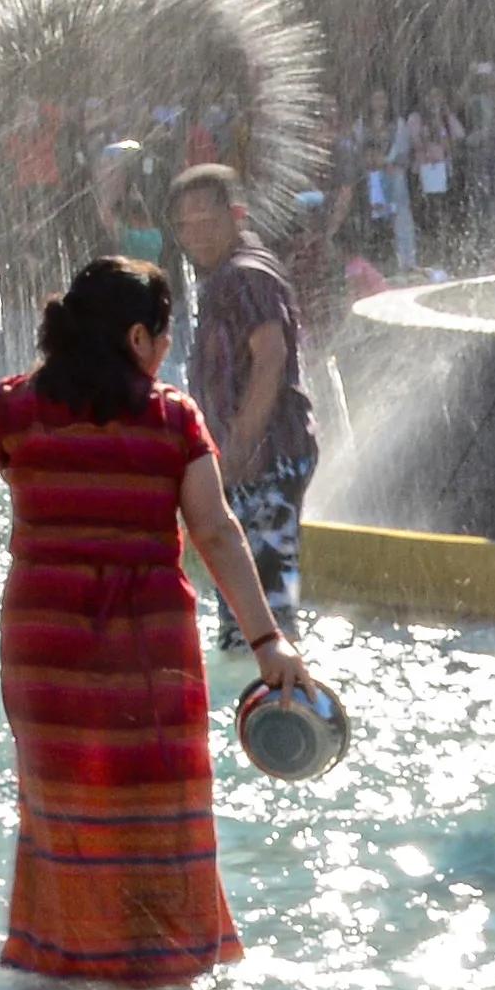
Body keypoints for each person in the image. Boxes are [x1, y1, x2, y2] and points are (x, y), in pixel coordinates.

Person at [0, 262, 303, 985]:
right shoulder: (172, 419)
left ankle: (65, 958)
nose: (165, 353)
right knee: (159, 804)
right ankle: (171, 961)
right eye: (161, 337)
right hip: (147, 650)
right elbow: (217, 534)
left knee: (64, 805)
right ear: (136, 337)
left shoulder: (18, 409)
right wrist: (267, 641)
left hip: (46, 651)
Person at [166, 166, 310, 642]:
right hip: (259, 461)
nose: (196, 235)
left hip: (263, 464)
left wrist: (242, 446)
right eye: (187, 226)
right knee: (250, 617)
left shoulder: (243, 275)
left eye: (208, 221)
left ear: (237, 215)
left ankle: (281, 707)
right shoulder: (235, 272)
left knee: (262, 625)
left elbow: (270, 356)